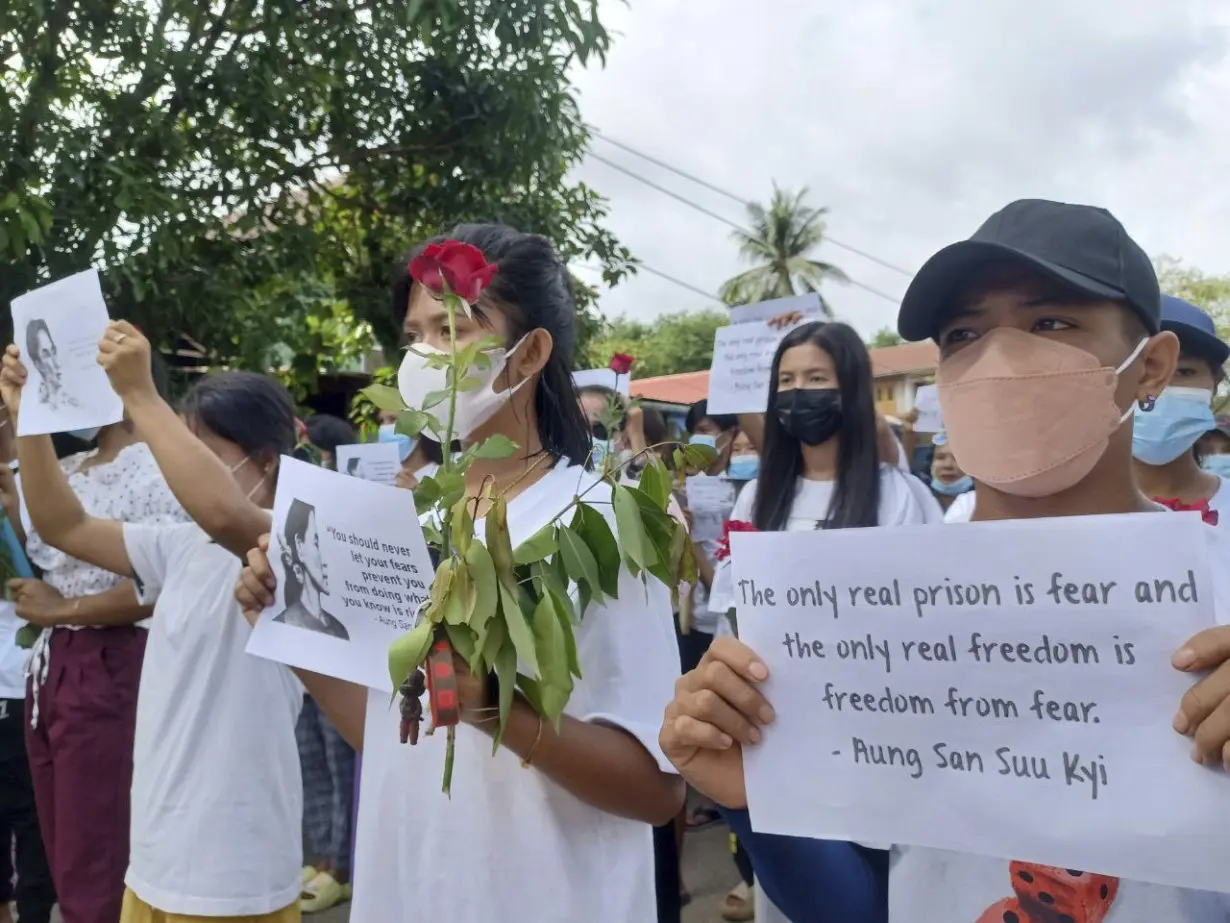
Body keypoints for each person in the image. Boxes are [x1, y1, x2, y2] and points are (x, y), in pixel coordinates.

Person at [658, 199, 1230, 922]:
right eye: (965, 332)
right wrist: (754, 800)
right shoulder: (881, 613)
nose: (1001, 358)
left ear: (1150, 367)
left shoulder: (1219, 582)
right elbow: (861, 907)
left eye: (1051, 321)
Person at [236, 224, 684, 923]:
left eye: (451, 329)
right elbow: (396, 733)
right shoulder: (406, 521)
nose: (424, 355)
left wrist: (494, 709)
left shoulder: (600, 521)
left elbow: (658, 790)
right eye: (414, 333)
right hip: (410, 889)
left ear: (531, 351)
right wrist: (294, 632)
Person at [2, 327, 304, 923]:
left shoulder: (291, 541)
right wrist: (30, 418)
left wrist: (139, 393)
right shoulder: (182, 545)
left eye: (199, 454)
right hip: (159, 855)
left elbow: (223, 511)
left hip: (231, 869)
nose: (172, 471)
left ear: (265, 460)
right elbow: (66, 526)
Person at [15, 351, 188, 923]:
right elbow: (48, 544)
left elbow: (161, 580)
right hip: (56, 664)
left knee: (100, 853)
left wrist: (66, 608)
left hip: (112, 658)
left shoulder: (160, 464)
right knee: (67, 846)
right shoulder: (75, 464)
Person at [0, 405, 54, 923]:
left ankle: (35, 912)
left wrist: (14, 513)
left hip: (26, 678)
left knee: (33, 816)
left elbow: (60, 572)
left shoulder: (45, 483)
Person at [1132, 296, 1229, 524]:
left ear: (1214, 383)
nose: (1160, 388)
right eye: (1143, 372)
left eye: (1184, 372)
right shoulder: (1060, 513)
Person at [272, 499, 349, 640]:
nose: (328, 560)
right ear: (299, 546)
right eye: (317, 543)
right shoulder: (284, 624)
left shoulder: (340, 630)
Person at [24, 321, 76, 411]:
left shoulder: (73, 395)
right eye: (46, 354)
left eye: (53, 350)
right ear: (39, 365)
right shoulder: (41, 409)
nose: (56, 363)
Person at [927, 433, 973, 510]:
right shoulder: (919, 497)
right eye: (940, 457)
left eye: (957, 458)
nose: (948, 465)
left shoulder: (984, 501)